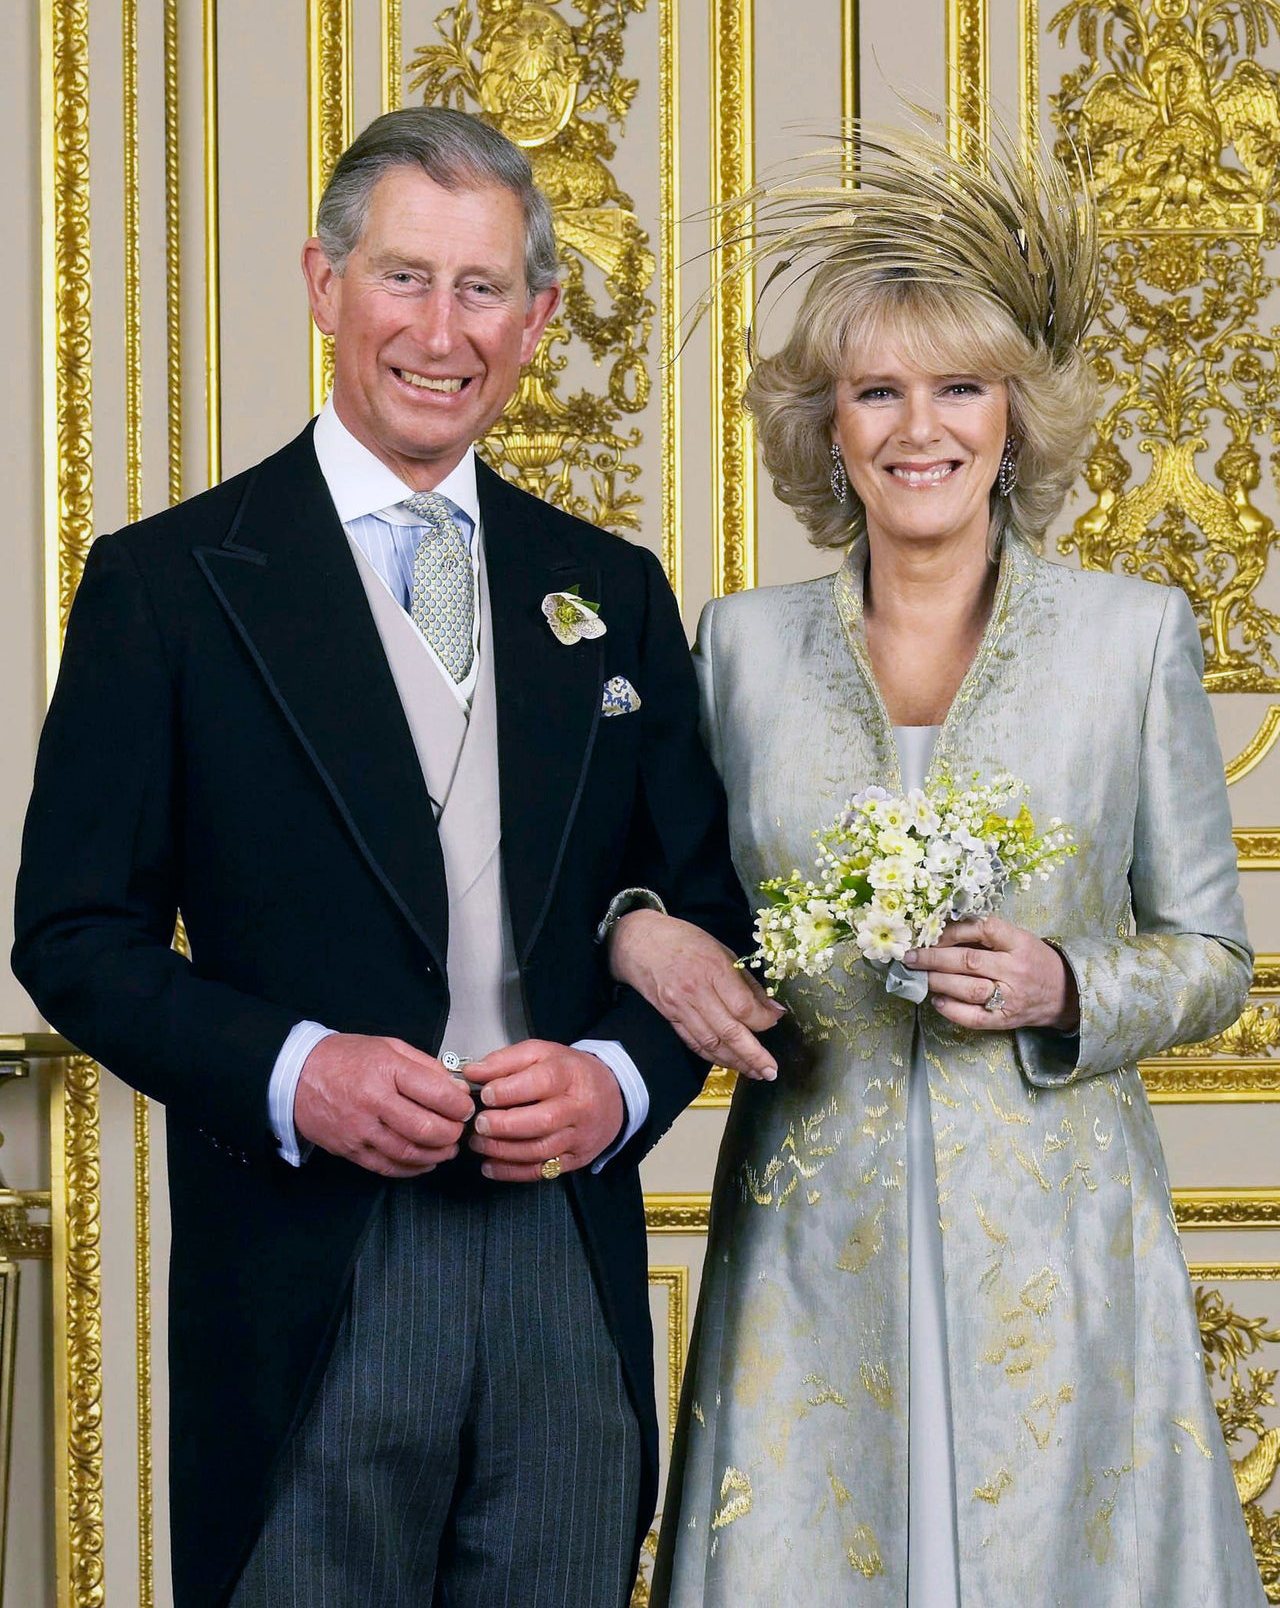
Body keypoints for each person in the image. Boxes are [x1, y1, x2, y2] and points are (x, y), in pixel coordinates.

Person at [12, 106, 775, 1608]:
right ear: (324, 283)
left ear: (540, 316)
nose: (443, 329)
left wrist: (617, 1080)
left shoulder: (607, 590)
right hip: (307, 1270)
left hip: (562, 1252)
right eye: (405, 278)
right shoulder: (167, 586)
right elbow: (74, 936)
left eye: (484, 287)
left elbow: (702, 914)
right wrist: (299, 1070)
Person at [609, 129, 1266, 1605]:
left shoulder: (1128, 636)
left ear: (1018, 418)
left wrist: (1062, 979)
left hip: (1060, 1245)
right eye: (878, 391)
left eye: (960, 387)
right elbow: (659, 893)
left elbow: (1214, 955)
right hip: (809, 1241)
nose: (923, 427)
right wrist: (641, 926)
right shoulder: (739, 648)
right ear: (826, 428)